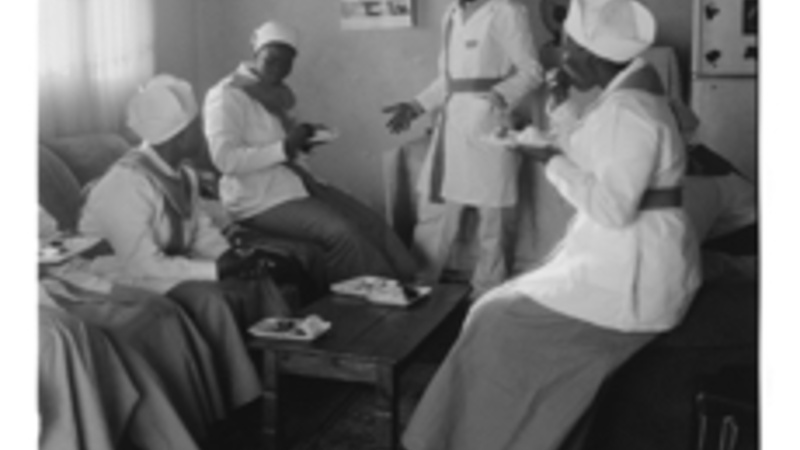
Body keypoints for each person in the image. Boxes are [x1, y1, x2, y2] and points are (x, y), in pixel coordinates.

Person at [401, 1, 702, 450]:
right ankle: (471, 428)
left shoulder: (630, 113)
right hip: (621, 257)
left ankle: (472, 433)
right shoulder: (626, 97)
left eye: (567, 49)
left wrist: (549, 158)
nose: (560, 60)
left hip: (632, 275)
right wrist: (557, 117)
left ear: (595, 55)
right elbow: (594, 148)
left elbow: (611, 207)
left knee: (493, 318)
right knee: (493, 307)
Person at [78, 75, 287, 417]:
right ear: (178, 135)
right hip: (117, 273)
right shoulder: (126, 182)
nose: (203, 132)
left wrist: (233, 257)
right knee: (212, 299)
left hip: (163, 265)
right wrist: (217, 270)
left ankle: (284, 369)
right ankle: (240, 402)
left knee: (256, 277)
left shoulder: (181, 173)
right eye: (197, 125)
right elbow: (140, 264)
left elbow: (200, 230)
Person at [203, 21, 418, 287]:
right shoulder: (227, 95)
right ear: (257, 53)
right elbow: (225, 160)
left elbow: (282, 146)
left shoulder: (277, 94)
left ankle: (409, 284)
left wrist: (304, 144)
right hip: (257, 200)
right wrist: (285, 147)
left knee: (371, 221)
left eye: (287, 63)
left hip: (294, 184)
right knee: (343, 233)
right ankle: (368, 301)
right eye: (272, 59)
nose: (279, 69)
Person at [383, 0, 543, 297]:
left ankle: (486, 297)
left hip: (491, 128)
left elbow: (531, 70)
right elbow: (448, 80)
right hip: (453, 129)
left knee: (493, 225)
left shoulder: (505, 11)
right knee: (435, 217)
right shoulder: (452, 14)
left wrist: (497, 96)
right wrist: (415, 106)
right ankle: (419, 290)